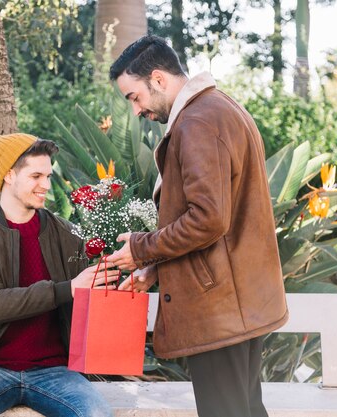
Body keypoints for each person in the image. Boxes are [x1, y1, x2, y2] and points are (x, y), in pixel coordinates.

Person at [106, 35, 289, 417]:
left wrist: (142, 247)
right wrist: (157, 267)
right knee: (246, 410)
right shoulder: (220, 107)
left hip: (219, 308)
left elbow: (208, 218)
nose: (136, 111)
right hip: (239, 300)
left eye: (134, 97)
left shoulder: (198, 121)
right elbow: (220, 218)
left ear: (158, 78)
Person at [0, 133, 117, 417]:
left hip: (54, 371)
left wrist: (115, 275)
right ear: (10, 175)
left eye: (49, 176)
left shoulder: (66, 234)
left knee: (98, 414)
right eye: (36, 176)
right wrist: (67, 289)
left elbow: (86, 299)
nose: (46, 186)